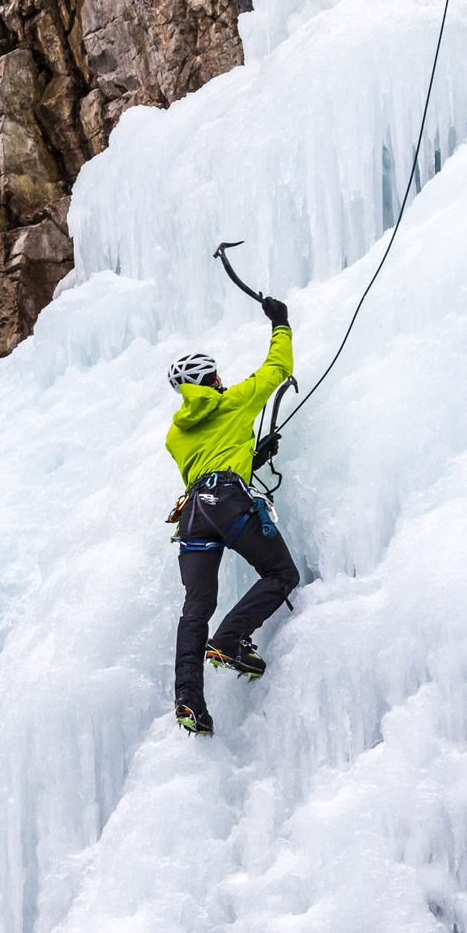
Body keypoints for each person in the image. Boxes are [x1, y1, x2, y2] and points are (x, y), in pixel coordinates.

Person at [165, 296, 300, 735]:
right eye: (217, 374)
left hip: (192, 515)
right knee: (281, 574)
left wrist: (251, 458)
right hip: (226, 500)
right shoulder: (234, 402)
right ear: (211, 378)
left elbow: (208, 462)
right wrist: (280, 324)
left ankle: (189, 699)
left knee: (196, 607)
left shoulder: (175, 434)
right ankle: (228, 640)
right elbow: (276, 369)